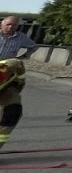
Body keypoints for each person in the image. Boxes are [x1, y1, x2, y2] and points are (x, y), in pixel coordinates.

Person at [0, 15, 37, 153]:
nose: (11, 27)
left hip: (7, 76)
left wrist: (22, 57)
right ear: (1, 24)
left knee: (13, 111)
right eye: (8, 24)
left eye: (14, 25)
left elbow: (33, 47)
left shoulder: (20, 38)